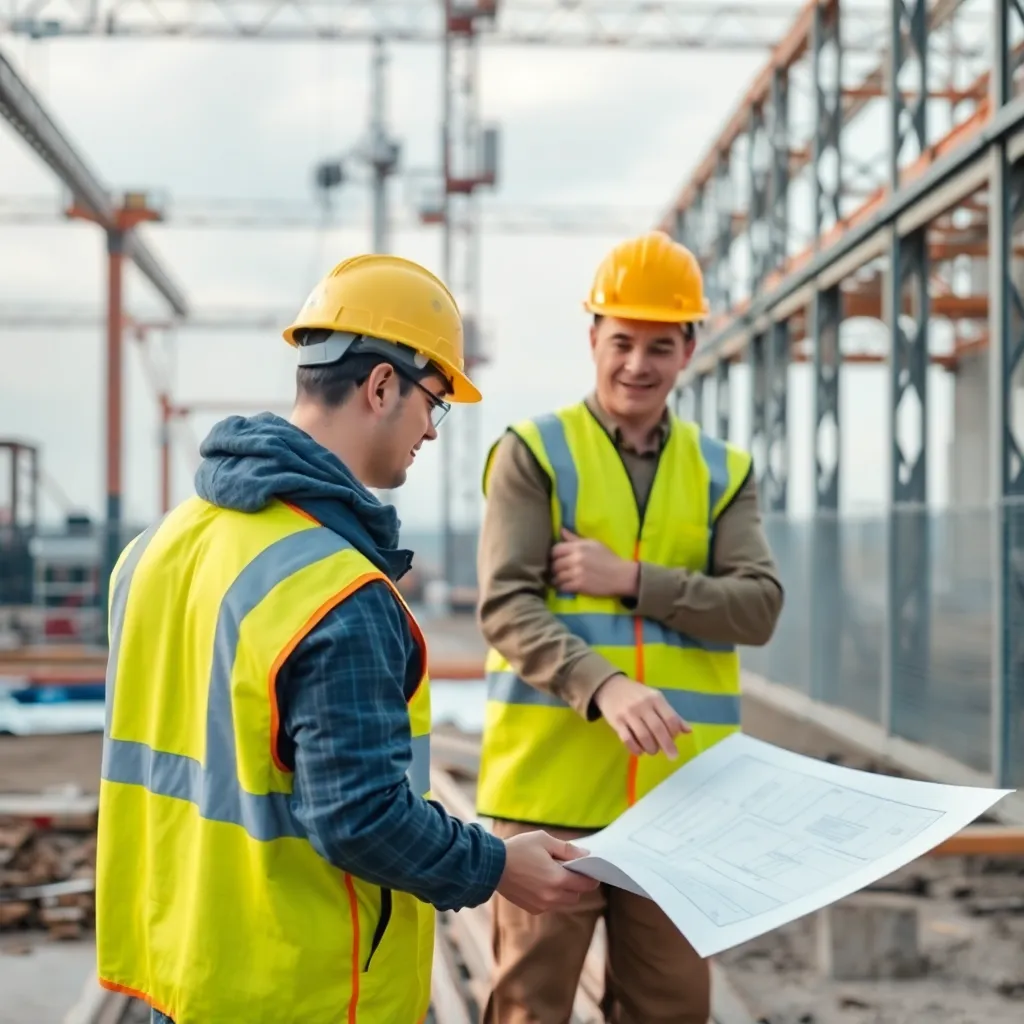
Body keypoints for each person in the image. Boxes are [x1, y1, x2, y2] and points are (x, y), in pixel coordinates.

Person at [94, 253, 599, 1024]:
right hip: (300, 990)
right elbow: (358, 817)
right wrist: (497, 864)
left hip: (177, 975)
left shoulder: (154, 551)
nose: (433, 427)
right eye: (436, 400)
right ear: (382, 385)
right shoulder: (336, 591)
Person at [475, 231, 784, 1023]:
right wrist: (602, 685)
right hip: (552, 794)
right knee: (530, 1010)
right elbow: (506, 605)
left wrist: (632, 581)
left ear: (688, 349)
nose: (636, 365)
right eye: (621, 342)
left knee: (672, 1011)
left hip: (684, 801)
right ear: (592, 340)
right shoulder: (534, 454)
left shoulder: (725, 473)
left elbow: (758, 606)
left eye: (658, 345)